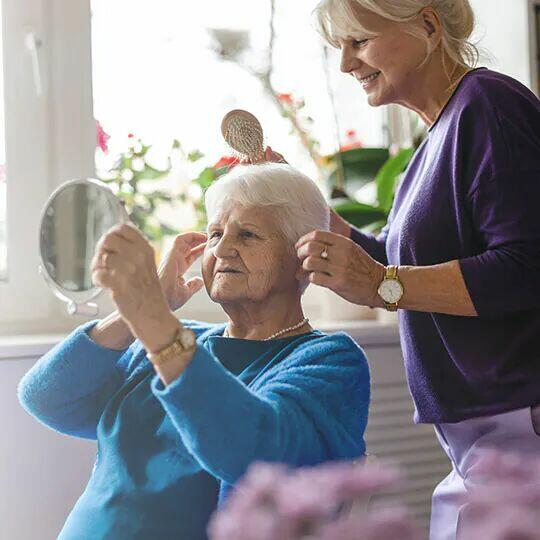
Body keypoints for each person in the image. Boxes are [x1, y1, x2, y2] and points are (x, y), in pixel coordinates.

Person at [266, 1, 539, 539]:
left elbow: (526, 266)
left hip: (520, 422)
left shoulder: (489, 106)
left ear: (428, 27)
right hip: (483, 432)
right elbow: (393, 260)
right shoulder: (434, 140)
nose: (346, 64)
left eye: (358, 42)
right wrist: (297, 201)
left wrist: (380, 286)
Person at [18, 163, 370, 540]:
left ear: (303, 259)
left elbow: (252, 453)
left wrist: (154, 321)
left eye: (248, 235)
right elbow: (46, 398)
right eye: (215, 233)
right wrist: (137, 313)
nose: (223, 248)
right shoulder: (173, 339)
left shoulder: (328, 359)